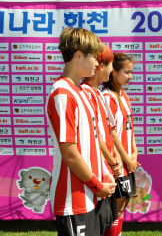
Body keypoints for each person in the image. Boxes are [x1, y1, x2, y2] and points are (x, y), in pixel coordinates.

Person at [46, 27, 116, 236]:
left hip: (92, 195)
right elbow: (69, 152)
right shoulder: (63, 94)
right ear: (78, 55)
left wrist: (104, 175)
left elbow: (93, 142)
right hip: (73, 199)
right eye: (94, 57)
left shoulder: (81, 93)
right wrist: (97, 185)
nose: (97, 62)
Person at [81, 44, 123, 235]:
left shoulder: (97, 93)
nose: (111, 70)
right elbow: (94, 135)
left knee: (109, 218)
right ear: (100, 66)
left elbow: (109, 131)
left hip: (106, 170)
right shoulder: (85, 93)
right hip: (98, 172)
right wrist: (112, 162)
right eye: (110, 65)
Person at [102, 53, 141, 236]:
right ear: (114, 73)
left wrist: (134, 153)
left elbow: (129, 128)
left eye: (132, 72)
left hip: (127, 163)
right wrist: (125, 159)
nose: (130, 76)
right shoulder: (107, 97)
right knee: (115, 208)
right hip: (117, 164)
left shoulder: (123, 95)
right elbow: (111, 134)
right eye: (127, 72)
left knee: (122, 205)